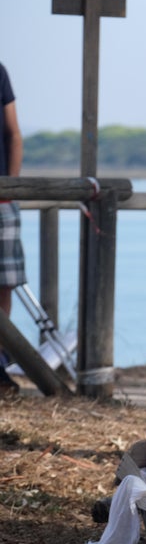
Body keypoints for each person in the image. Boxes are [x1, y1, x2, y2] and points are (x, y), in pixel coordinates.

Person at [0, 61, 25, 397]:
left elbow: (13, 132)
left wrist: (12, 189)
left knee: (3, 284)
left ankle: (1, 362)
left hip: (2, 199)